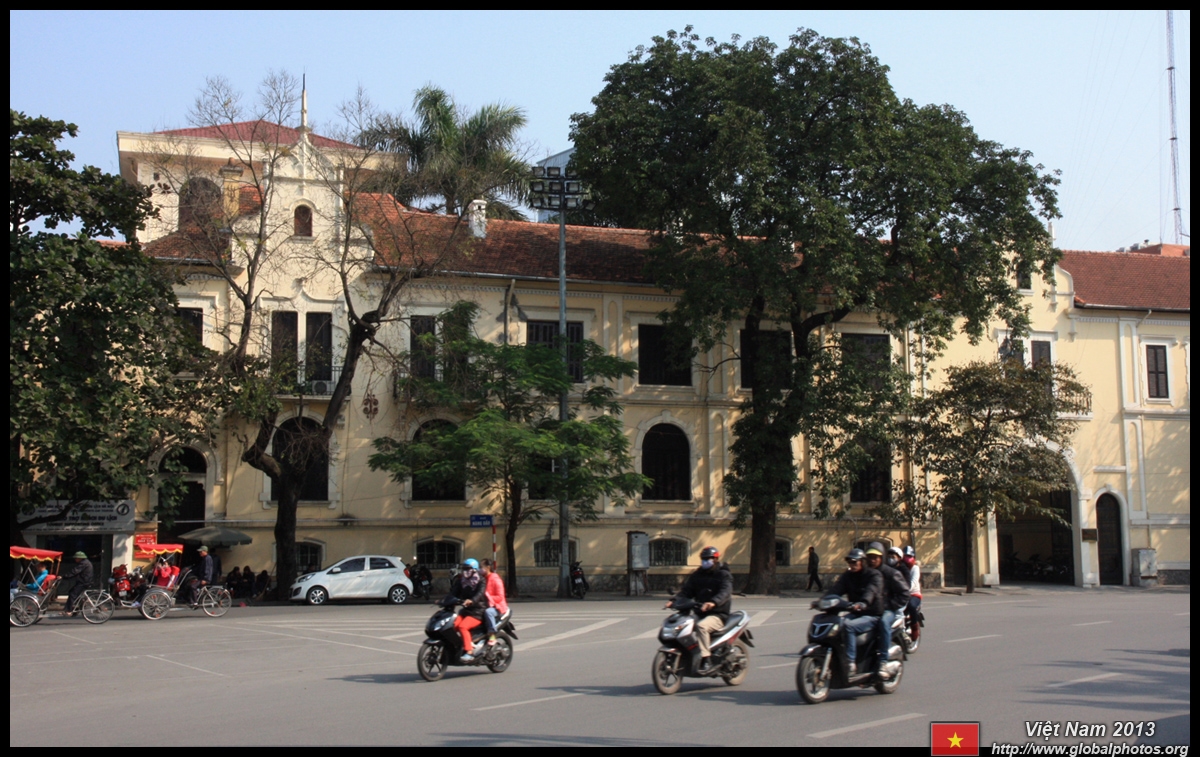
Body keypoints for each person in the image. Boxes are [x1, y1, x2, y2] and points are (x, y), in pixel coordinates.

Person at [665, 546, 733, 672]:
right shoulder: (697, 575)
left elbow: (725, 592)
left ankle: (706, 658)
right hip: (700, 612)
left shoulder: (723, 575)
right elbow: (686, 591)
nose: (706, 561)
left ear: (715, 559)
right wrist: (674, 600)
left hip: (717, 614)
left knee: (702, 626)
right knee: (682, 624)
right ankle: (689, 652)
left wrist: (713, 602)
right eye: (704, 559)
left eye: (709, 559)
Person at [827, 548, 883, 676]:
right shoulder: (848, 576)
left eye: (854, 562)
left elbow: (871, 590)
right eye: (849, 562)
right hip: (856, 613)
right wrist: (822, 600)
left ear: (862, 562)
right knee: (837, 624)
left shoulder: (874, 575)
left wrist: (864, 603)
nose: (851, 565)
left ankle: (850, 663)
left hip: (872, 614)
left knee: (849, 626)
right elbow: (836, 589)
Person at [867, 543, 910, 680]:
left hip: (888, 610)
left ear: (882, 558)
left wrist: (889, 605)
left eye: (875, 557)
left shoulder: (891, 573)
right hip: (869, 609)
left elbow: (904, 593)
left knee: (884, 623)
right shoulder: (865, 573)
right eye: (869, 557)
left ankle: (883, 661)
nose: (872, 560)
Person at [451, 558, 489, 662]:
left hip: (478, 611)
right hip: (466, 611)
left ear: (474, 570)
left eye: (468, 569)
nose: (465, 571)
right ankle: (463, 644)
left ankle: (469, 652)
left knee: (463, 627)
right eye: (464, 569)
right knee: (453, 626)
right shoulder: (461, 581)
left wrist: (472, 601)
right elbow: (454, 592)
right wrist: (444, 600)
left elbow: (480, 594)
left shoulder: (481, 580)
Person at [480, 558, 508, 647]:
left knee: (488, 612)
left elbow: (500, 597)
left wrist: (488, 597)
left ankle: (492, 634)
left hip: (498, 607)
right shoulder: (483, 579)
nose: (480, 569)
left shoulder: (495, 579)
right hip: (486, 604)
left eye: (481, 567)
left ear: (488, 567)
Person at [60, 551, 95, 616]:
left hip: (84, 582)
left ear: (80, 558)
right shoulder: (85, 562)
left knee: (72, 594)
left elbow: (75, 571)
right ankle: (75, 609)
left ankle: (69, 610)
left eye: (76, 558)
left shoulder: (83, 563)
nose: (75, 559)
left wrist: (64, 576)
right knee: (75, 593)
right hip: (84, 581)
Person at [902, 546, 922, 641]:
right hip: (901, 594)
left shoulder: (915, 568)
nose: (907, 558)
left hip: (914, 595)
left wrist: (904, 590)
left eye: (909, 556)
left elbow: (913, 583)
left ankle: (914, 627)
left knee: (911, 606)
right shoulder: (900, 567)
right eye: (905, 556)